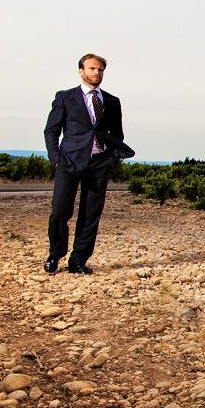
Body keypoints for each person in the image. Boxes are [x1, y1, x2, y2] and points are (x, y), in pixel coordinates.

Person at [42, 53, 129, 274]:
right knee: (60, 212)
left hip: (99, 164)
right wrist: (56, 160)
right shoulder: (64, 97)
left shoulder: (112, 101)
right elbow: (51, 130)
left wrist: (111, 160)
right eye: (92, 69)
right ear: (81, 71)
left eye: (100, 69)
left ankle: (78, 260)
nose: (96, 73)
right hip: (68, 162)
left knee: (90, 215)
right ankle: (55, 254)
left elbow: (117, 136)